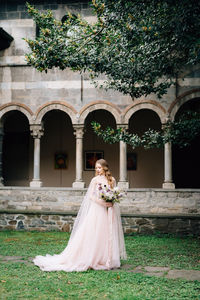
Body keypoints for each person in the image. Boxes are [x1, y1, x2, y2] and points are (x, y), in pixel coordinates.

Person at [33, 159, 127, 272]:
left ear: (105, 168)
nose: (97, 170)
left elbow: (113, 194)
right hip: (97, 209)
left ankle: (106, 258)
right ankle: (91, 257)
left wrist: (111, 201)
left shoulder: (112, 180)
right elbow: (91, 196)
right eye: (96, 168)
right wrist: (102, 202)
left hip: (108, 210)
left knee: (106, 233)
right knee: (94, 232)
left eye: (99, 167)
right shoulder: (95, 180)